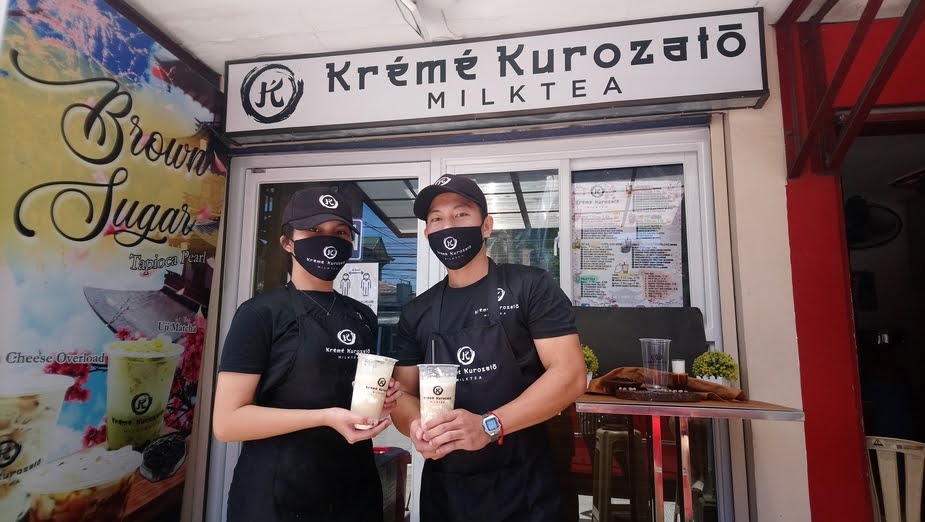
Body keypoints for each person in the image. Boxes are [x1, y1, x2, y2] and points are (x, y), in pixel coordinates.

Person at [391, 175, 587, 521]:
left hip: (526, 484)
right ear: (426, 233)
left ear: (486, 226)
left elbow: (570, 375)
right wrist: (417, 426)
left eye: (461, 214)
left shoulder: (529, 287)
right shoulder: (416, 311)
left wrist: (488, 426)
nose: (448, 226)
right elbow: (404, 394)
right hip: (448, 489)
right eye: (437, 218)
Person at [213, 186, 401, 522]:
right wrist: (324, 417)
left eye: (340, 232)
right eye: (314, 230)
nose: (328, 240)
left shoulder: (362, 316)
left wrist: (382, 398)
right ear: (288, 242)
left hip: (354, 492)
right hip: (277, 497)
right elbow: (228, 423)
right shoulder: (259, 314)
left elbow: (356, 397)